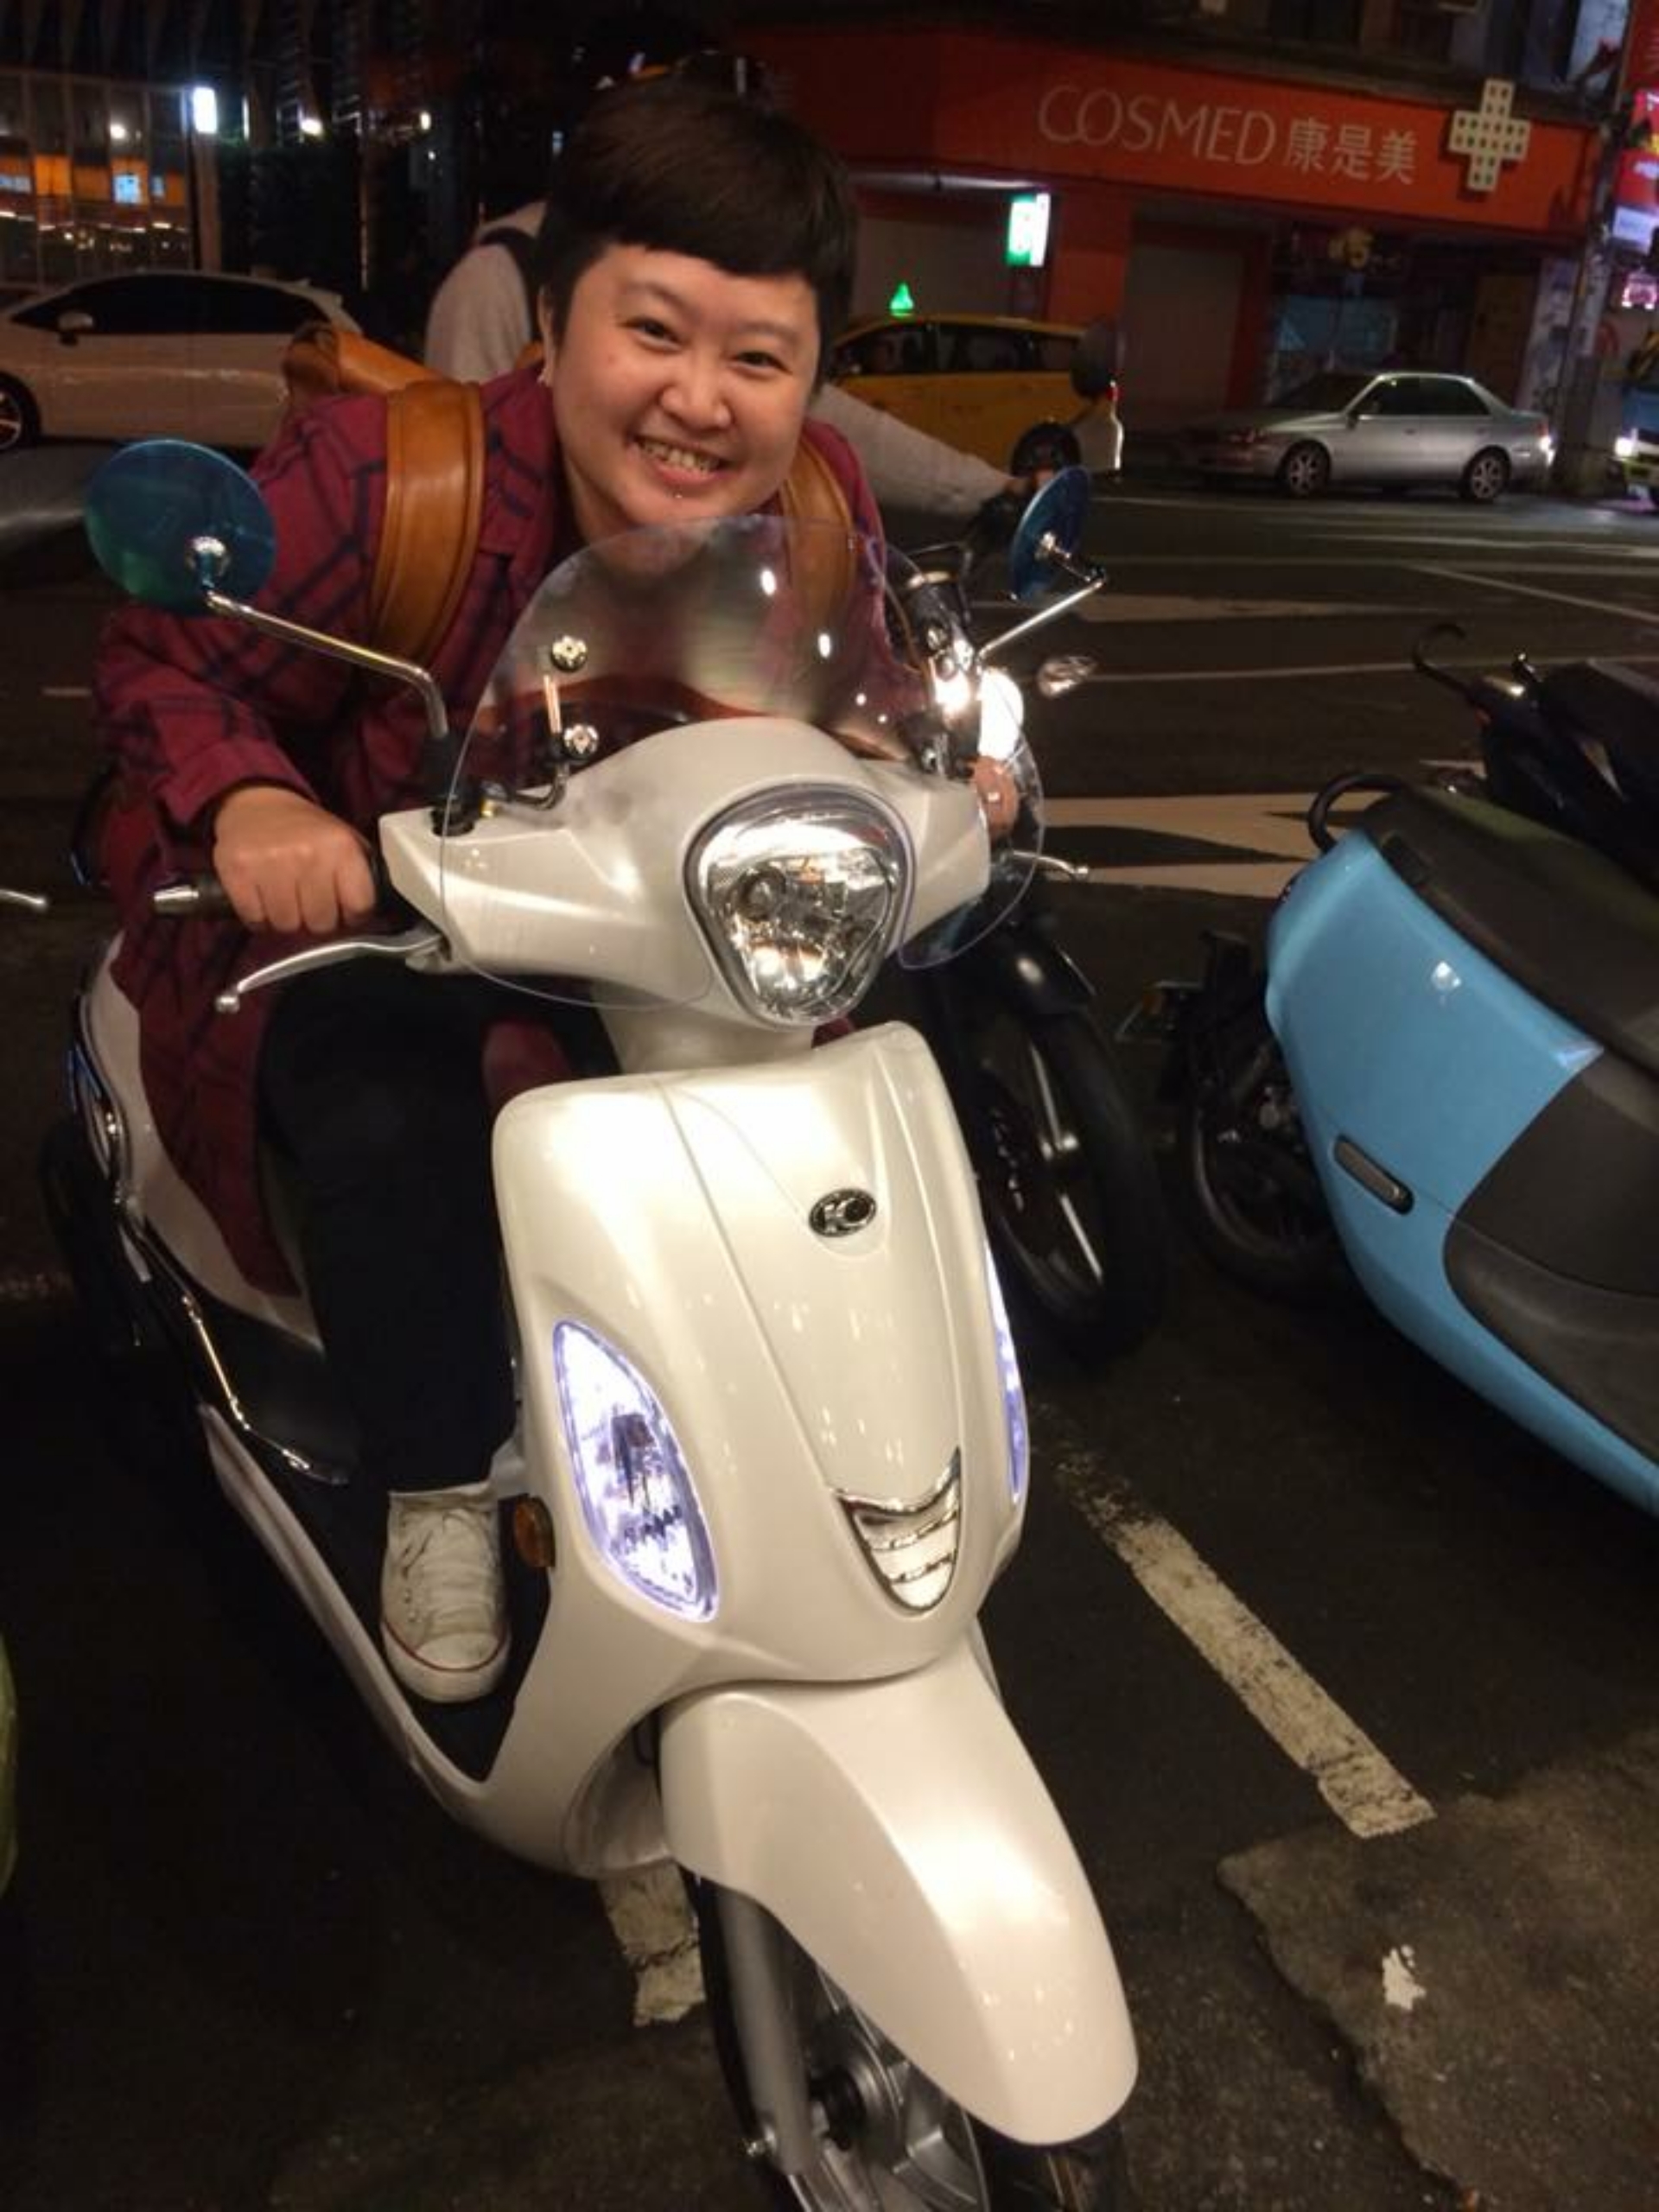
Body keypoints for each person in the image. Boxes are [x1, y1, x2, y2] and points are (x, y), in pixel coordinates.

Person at [95, 76, 1004, 1709]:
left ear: (811, 375)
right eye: (654, 332)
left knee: (874, 1071)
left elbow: (863, 686)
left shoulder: (820, 500)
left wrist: (942, 765)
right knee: (391, 1127)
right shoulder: (390, 479)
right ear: (551, 328)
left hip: (677, 940)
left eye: (759, 358)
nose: (699, 401)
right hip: (400, 936)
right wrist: (254, 799)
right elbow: (171, 655)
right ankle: (440, 1474)